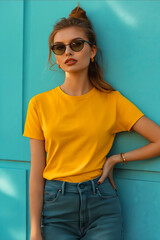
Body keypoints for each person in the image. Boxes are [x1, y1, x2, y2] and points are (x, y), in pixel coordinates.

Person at [23, 3, 160, 240]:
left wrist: (117, 158)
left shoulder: (112, 101)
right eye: (59, 47)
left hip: (102, 205)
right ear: (55, 56)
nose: (68, 52)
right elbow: (37, 171)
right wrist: (35, 230)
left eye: (76, 45)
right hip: (56, 205)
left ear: (92, 51)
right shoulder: (39, 104)